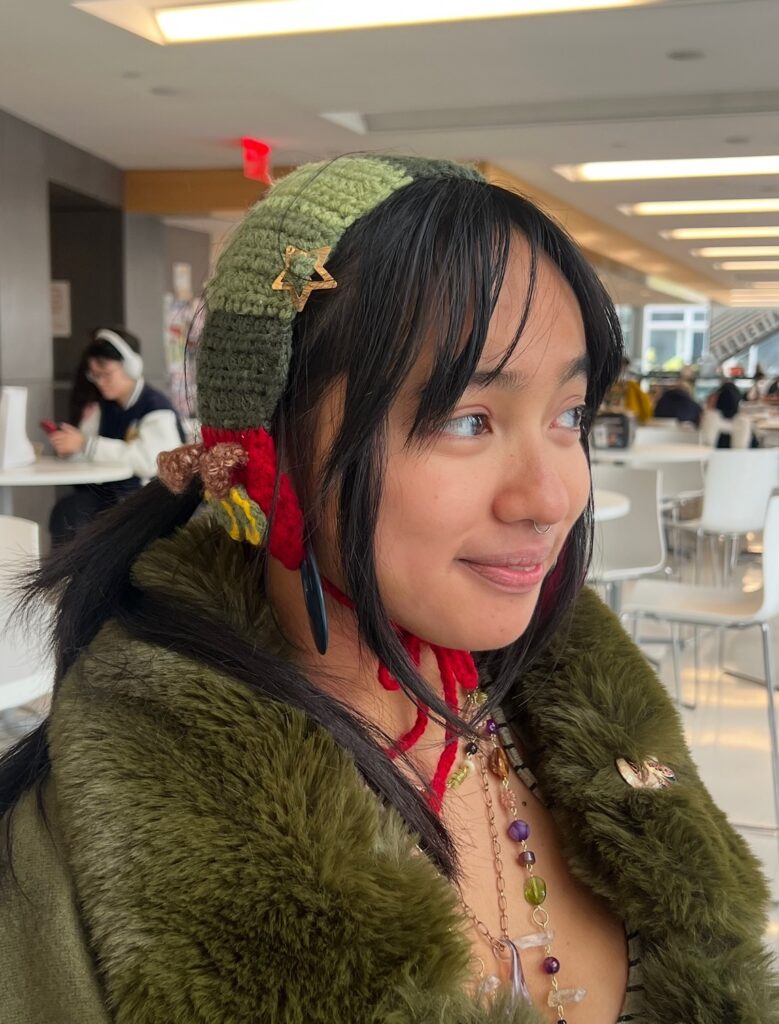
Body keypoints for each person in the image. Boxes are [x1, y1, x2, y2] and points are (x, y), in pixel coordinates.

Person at [1, 156, 775, 1024]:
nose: (555, 497)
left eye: (568, 415)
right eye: (466, 419)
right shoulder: (84, 860)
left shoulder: (575, 712)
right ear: (270, 445)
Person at [47, 327, 185, 544]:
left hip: (148, 502)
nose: (100, 381)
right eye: (94, 374)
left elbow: (151, 461)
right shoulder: (103, 407)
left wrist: (86, 444)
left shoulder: (156, 408)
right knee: (68, 511)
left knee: (74, 513)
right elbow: (86, 450)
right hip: (111, 497)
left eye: (106, 373)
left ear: (131, 367)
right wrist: (71, 446)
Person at [602, 357, 653, 423]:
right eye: (621, 369)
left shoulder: (630, 386)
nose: (623, 373)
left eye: (625, 369)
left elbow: (639, 407)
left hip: (624, 418)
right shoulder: (605, 384)